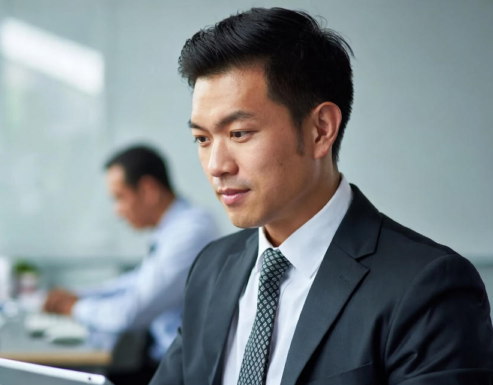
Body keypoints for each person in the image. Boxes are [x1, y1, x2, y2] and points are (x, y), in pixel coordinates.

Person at [151, 7, 493, 385]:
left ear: (320, 130)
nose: (216, 165)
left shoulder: (427, 287)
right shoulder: (212, 269)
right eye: (202, 138)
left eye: (240, 133)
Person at [43, 145, 219, 384]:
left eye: (119, 197)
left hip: (179, 370)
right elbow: (137, 281)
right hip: (162, 356)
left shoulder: (190, 232)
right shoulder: (173, 228)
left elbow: (131, 312)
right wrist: (79, 295)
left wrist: (75, 307)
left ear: (148, 190)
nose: (117, 212)